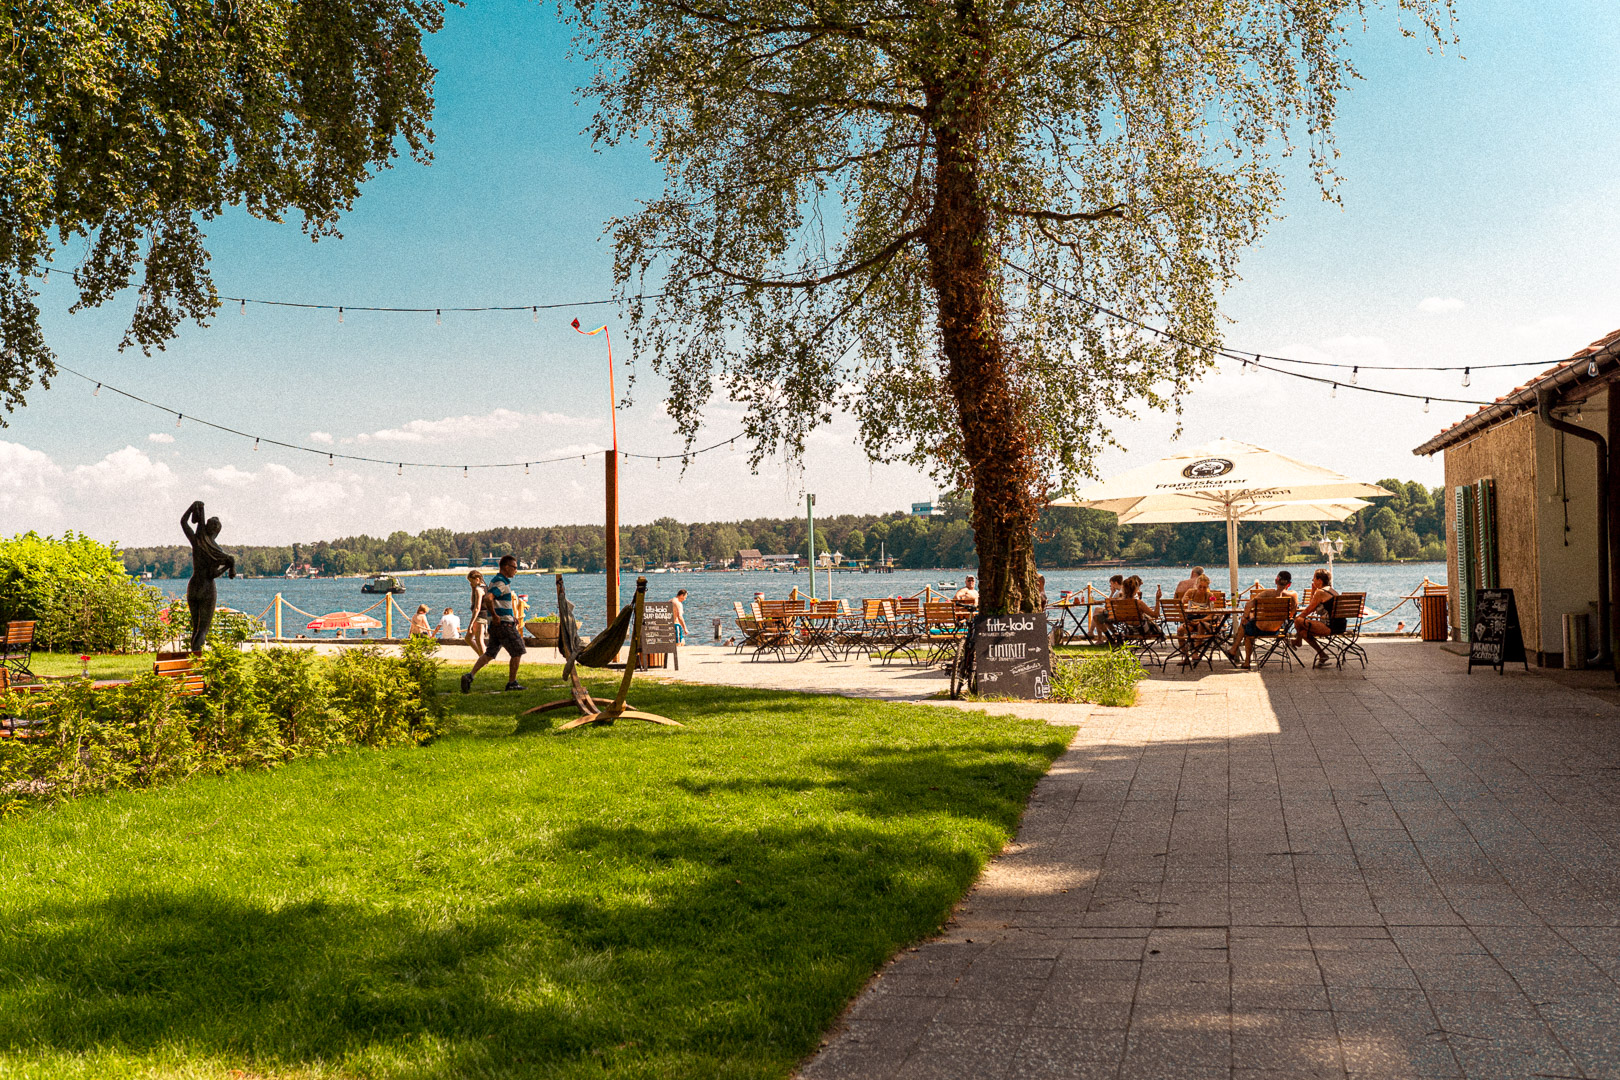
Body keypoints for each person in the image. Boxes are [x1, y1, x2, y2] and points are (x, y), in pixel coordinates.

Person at [461, 555, 527, 693]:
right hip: (503, 624)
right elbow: (488, 598)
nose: (516, 570)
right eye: (514, 567)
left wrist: (509, 616)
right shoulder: (501, 582)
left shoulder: (496, 581)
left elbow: (497, 601)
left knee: (490, 653)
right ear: (506, 567)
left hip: (496, 624)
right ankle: (512, 683)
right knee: (518, 650)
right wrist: (496, 616)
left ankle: (469, 676)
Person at [180, 500, 235, 654]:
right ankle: (196, 659)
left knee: (195, 627)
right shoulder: (216, 550)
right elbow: (213, 574)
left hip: (193, 586)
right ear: (217, 531)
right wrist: (227, 566)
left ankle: (192, 656)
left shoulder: (197, 541)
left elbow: (183, 522)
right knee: (202, 629)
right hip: (206, 588)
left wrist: (192, 507)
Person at [1229, 570, 1296, 669]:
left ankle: (1243, 658)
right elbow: (1292, 613)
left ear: (1275, 581)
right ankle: (1234, 650)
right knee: (1248, 624)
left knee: (1246, 626)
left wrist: (1245, 617)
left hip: (1259, 629)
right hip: (1277, 630)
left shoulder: (1267, 593)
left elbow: (1248, 605)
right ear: (1289, 584)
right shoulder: (1292, 595)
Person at [1293, 568, 1344, 668]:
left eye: (1313, 579)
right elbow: (1315, 609)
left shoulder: (1320, 592)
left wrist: (1296, 620)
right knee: (1303, 632)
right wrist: (1313, 591)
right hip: (1340, 626)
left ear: (1319, 581)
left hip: (1329, 626)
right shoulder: (1333, 591)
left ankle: (1297, 641)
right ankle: (1322, 655)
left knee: (1298, 620)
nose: (1313, 581)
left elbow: (1308, 610)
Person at [464, 570, 489, 655]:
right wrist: (472, 589)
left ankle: (484, 660)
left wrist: (471, 623)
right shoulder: (485, 587)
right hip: (483, 615)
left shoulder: (479, 590)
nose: (471, 583)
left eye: (472, 581)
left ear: (477, 579)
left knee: (479, 640)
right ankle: (481, 656)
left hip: (480, 616)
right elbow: (473, 602)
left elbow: (477, 607)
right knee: (468, 638)